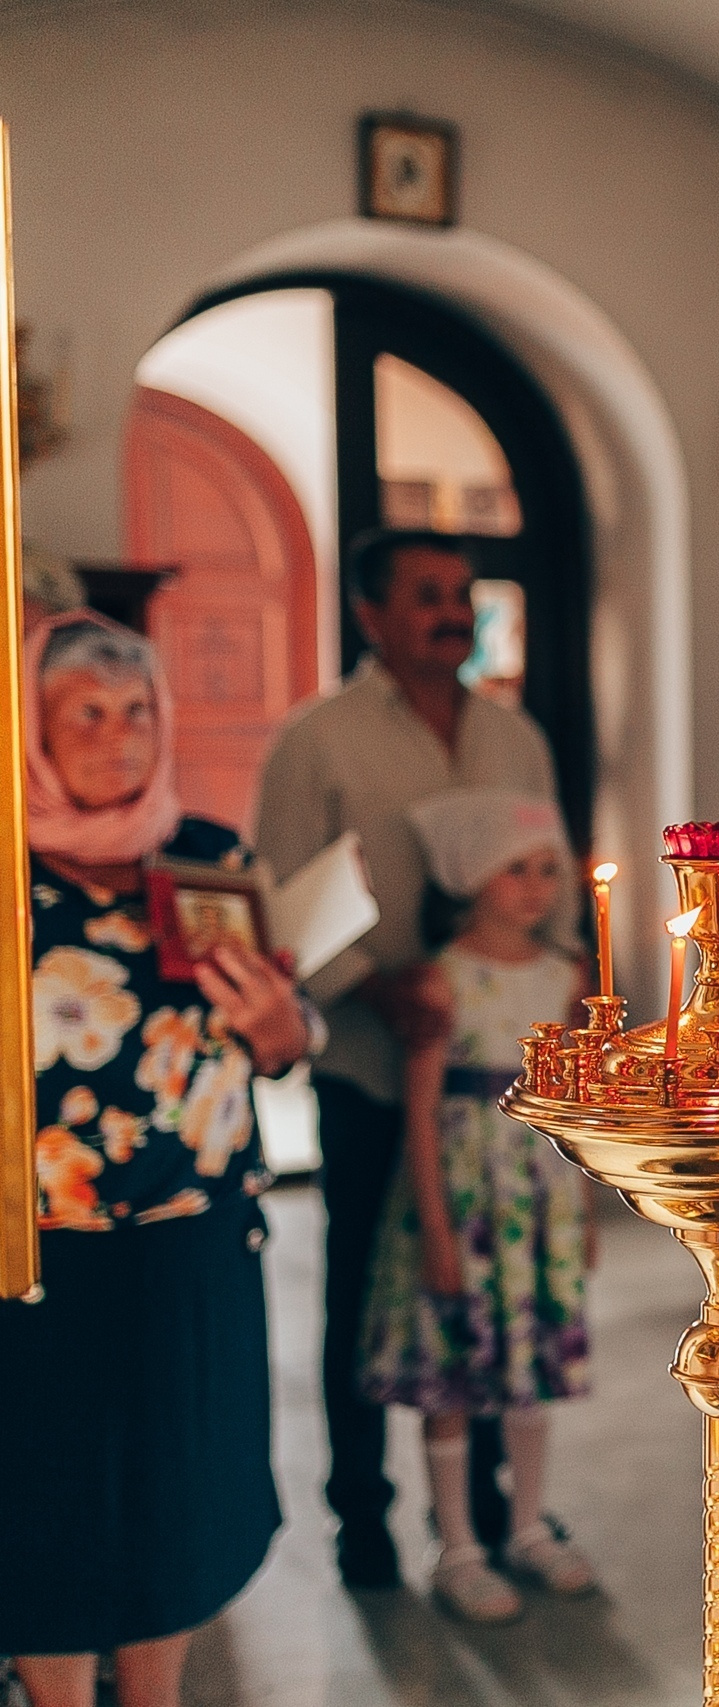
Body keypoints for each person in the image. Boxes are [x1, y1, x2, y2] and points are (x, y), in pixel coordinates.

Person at [0, 613, 316, 1707]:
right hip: (37, 1258)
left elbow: (285, 1040)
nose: (118, 736)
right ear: (30, 727)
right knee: (41, 1505)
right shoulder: (2, 873)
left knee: (177, 1502)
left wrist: (285, 1028)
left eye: (137, 712)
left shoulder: (204, 860)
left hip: (194, 1246)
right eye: (84, 713)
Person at [254, 530, 568, 1589]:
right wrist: (373, 989)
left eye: (461, 594)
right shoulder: (318, 741)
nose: (451, 611)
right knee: (365, 1294)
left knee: (485, 1290)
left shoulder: (516, 735)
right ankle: (362, 1516)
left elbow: (548, 877)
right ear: (371, 615)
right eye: (426, 595)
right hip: (376, 1067)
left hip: (493, 1079)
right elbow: (282, 905)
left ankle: (484, 1516)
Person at [361, 789, 597, 1625]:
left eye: (547, 871)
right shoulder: (441, 979)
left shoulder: (566, 975)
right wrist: (434, 1229)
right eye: (516, 871)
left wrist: (587, 1210)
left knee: (530, 1367)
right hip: (462, 1199)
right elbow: (421, 1110)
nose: (537, 888)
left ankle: (528, 1524)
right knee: (453, 1375)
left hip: (537, 1199)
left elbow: (573, 1098)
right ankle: (457, 1543)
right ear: (470, 880)